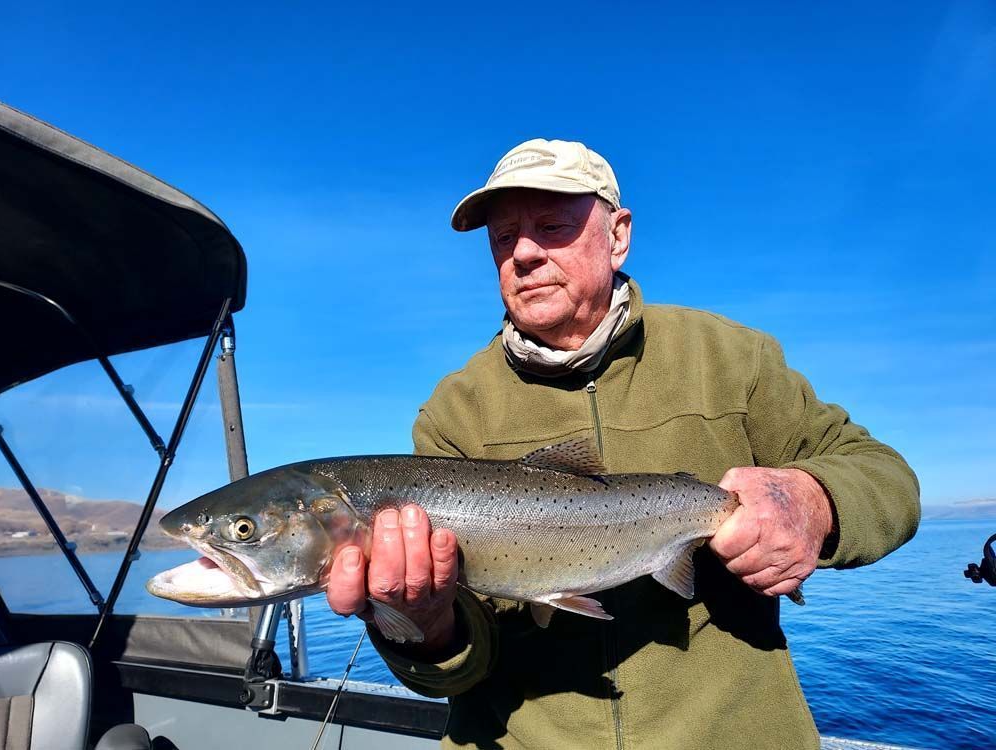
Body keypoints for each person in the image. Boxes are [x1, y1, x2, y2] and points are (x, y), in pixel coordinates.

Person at [326, 139, 920, 749]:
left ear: (618, 234)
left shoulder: (732, 358)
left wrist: (815, 501)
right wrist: (421, 625)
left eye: (551, 227)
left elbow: (887, 480)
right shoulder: (454, 411)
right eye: (502, 239)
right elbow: (462, 662)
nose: (523, 254)